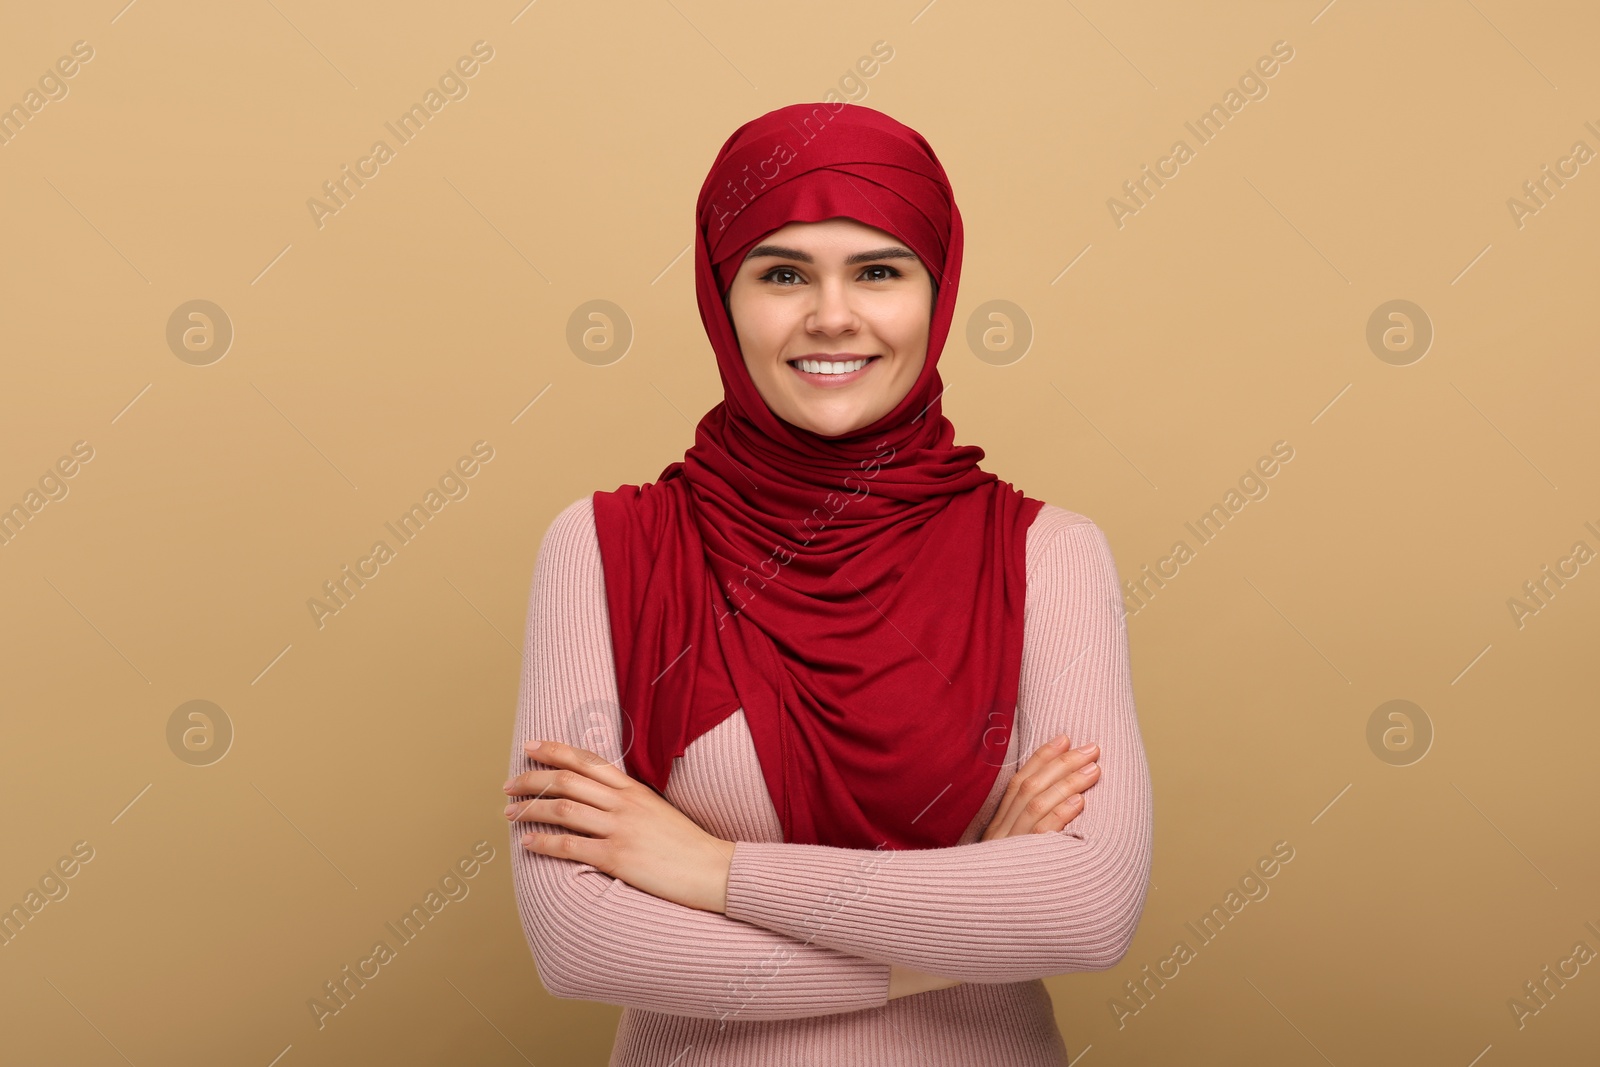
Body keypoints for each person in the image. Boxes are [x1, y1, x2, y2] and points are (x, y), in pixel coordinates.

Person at [502, 101, 1153, 1065]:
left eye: (879, 271)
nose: (832, 315)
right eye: (783, 274)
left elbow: (1088, 909)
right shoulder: (606, 549)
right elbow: (579, 939)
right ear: (721, 297)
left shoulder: (1048, 554)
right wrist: (965, 917)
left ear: (938, 292)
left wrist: (712, 870)